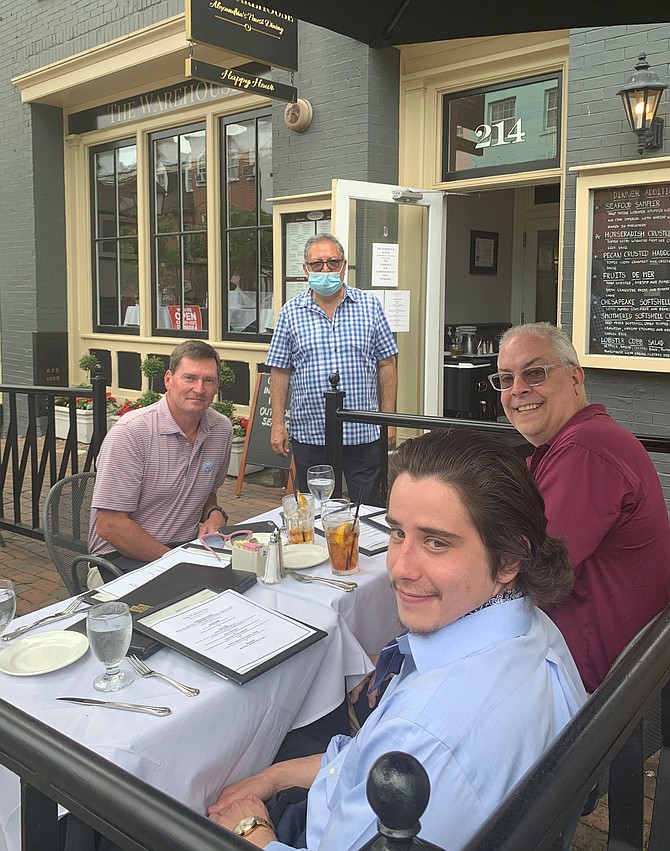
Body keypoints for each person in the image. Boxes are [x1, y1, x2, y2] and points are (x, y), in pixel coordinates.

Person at [207, 430, 586, 849]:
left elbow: (416, 740)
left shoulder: (424, 735)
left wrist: (252, 831)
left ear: (510, 558)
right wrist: (273, 776)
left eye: (436, 542)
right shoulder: (534, 628)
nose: (399, 568)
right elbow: (362, 760)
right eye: (398, 533)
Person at [494, 322, 670, 692]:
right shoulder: (572, 442)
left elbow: (529, 568)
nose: (518, 389)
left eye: (535, 373)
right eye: (506, 379)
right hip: (606, 662)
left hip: (588, 681)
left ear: (575, 378)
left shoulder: (584, 450)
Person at [266, 234, 398, 505]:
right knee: (314, 510)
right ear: (305, 270)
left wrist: (389, 420)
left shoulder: (370, 307)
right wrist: (278, 424)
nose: (325, 270)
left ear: (344, 265)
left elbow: (387, 363)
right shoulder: (290, 313)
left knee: (370, 509)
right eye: (317, 264)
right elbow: (280, 371)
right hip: (311, 432)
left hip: (363, 430)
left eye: (332, 262)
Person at [88, 340, 233, 579]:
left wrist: (214, 513)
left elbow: (207, 492)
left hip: (186, 550)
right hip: (120, 560)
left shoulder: (221, 430)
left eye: (208, 380)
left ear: (217, 386)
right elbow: (110, 526)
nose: (199, 388)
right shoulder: (131, 433)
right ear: (168, 379)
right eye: (189, 378)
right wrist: (175, 562)